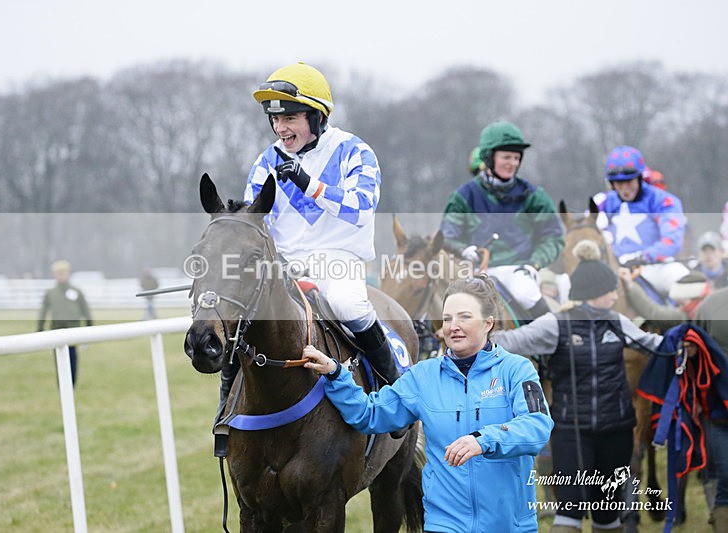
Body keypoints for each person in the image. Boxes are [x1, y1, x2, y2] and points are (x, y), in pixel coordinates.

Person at [303, 273, 553, 532]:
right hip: (444, 525)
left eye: (464, 317)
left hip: (509, 525)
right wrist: (336, 374)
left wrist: (483, 440)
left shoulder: (517, 370)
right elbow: (371, 414)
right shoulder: (423, 376)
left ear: (488, 322)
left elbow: (537, 427)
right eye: (447, 318)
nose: (453, 326)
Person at [240, 62, 403, 434]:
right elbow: (255, 216)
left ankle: (395, 392)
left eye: (291, 118)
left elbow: (360, 207)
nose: (281, 128)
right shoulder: (266, 161)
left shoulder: (354, 151)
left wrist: (308, 183)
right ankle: (226, 408)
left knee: (349, 305)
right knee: (243, 320)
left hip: (338, 260)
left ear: (317, 116)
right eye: (275, 120)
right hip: (284, 265)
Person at [492, 240, 665, 533]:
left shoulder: (618, 322)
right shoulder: (555, 324)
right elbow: (511, 342)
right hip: (572, 433)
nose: (615, 295)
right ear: (595, 293)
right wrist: (472, 331)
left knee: (607, 512)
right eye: (611, 290)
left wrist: (689, 342)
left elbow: (655, 345)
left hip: (616, 431)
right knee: (569, 509)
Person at [440, 121, 564, 320]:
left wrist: (535, 264)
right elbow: (446, 236)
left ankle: (557, 345)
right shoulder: (463, 196)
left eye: (516, 158)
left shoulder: (534, 196)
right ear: (489, 158)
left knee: (526, 295)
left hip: (518, 271)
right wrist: (462, 250)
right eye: (506, 157)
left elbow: (553, 237)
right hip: (475, 272)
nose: (513, 163)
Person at [596, 146, 689, 297]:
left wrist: (642, 257)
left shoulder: (662, 200)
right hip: (613, 268)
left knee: (687, 285)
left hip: (655, 268)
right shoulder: (604, 202)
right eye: (618, 183)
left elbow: (672, 241)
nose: (625, 188)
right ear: (611, 184)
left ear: (640, 177)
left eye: (629, 181)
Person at [693, 287, 728, 532]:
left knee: (724, 480)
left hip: (717, 412)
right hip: (719, 413)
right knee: (724, 481)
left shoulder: (709, 304)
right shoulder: (711, 305)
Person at [37, 260, 92, 387]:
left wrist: (89, 326)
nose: (61, 276)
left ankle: (72, 381)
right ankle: (62, 382)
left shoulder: (76, 291)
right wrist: (40, 327)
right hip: (57, 329)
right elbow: (43, 310)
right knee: (59, 357)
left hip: (73, 329)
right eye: (58, 273)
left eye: (63, 273)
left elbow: (85, 309)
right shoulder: (50, 293)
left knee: (72, 356)